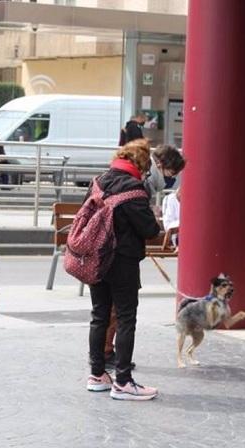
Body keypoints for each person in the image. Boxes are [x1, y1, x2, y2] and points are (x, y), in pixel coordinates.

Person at [86, 139, 161, 400]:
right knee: (126, 318)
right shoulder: (134, 189)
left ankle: (97, 375)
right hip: (123, 262)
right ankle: (123, 382)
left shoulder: (98, 181)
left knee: (99, 315)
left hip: (96, 259)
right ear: (140, 164)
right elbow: (150, 230)